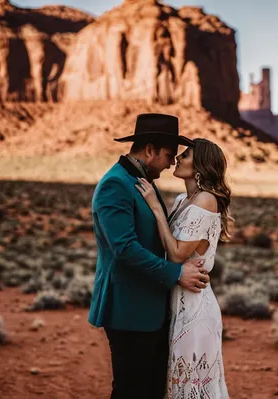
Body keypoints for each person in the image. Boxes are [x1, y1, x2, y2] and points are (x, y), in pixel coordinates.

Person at [88, 113, 211, 399]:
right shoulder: (115, 184)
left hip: (150, 310)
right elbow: (124, 248)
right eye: (169, 155)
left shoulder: (142, 179)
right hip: (128, 310)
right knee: (131, 391)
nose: (171, 163)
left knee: (152, 389)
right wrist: (177, 274)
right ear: (150, 150)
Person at [136, 137, 232, 399]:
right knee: (177, 385)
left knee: (192, 387)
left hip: (196, 310)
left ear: (201, 164)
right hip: (177, 303)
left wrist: (156, 208)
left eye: (186, 155)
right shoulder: (182, 200)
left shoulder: (206, 200)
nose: (178, 158)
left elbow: (177, 254)